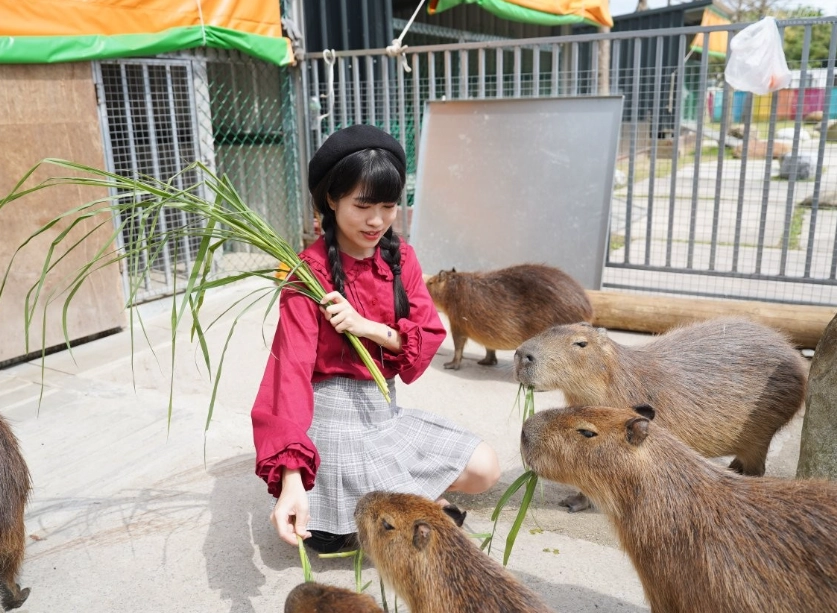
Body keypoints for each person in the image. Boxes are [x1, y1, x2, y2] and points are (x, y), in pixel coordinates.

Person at [251, 124, 500, 554]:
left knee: (486, 470)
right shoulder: (307, 274)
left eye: (388, 206)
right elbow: (288, 374)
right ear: (331, 199)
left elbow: (425, 341)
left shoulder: (401, 257)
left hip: (381, 410)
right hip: (329, 419)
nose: (377, 221)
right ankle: (415, 504)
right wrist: (292, 477)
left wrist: (366, 326)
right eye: (363, 205)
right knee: (328, 538)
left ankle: (406, 503)